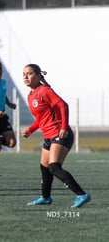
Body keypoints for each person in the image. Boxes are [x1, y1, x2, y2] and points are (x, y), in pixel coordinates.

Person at [22, 64, 91, 208]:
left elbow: (63, 106)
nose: (25, 77)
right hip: (48, 137)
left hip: (60, 134)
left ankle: (81, 194)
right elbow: (41, 119)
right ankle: (45, 197)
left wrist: (64, 127)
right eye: (24, 74)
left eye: (29, 74)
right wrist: (30, 130)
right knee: (44, 167)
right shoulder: (30, 96)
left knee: (54, 167)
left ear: (39, 76)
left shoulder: (44, 91)